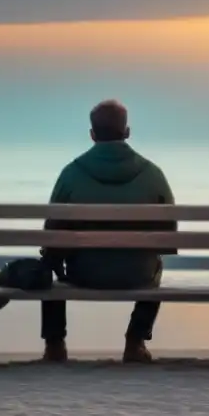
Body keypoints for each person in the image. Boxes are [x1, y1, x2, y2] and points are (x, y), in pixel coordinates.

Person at [39, 99, 176, 363]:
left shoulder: (71, 173)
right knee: (157, 266)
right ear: (126, 132)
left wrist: (56, 258)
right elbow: (167, 237)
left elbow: (51, 234)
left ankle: (55, 344)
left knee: (50, 262)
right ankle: (135, 341)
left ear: (92, 134)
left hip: (83, 274)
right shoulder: (153, 174)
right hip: (138, 275)